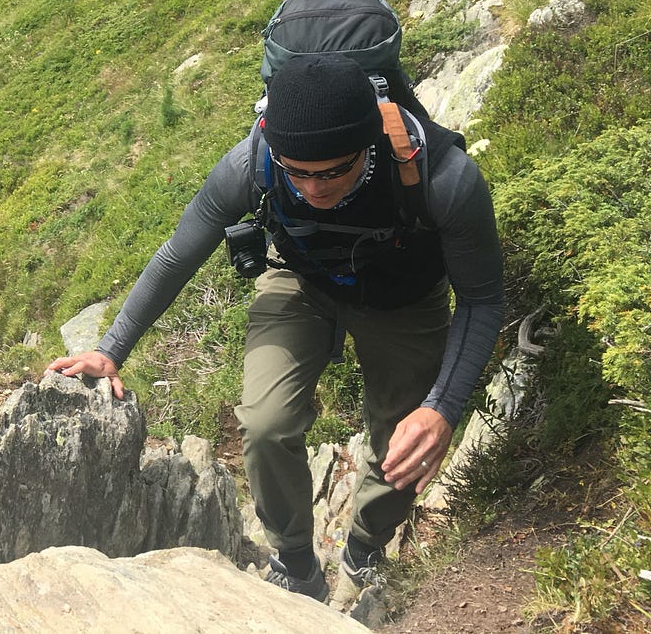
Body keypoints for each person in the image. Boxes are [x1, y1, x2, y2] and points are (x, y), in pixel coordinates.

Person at [48, 53, 504, 602]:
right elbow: (177, 256)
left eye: (335, 170)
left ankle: (365, 547)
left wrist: (442, 409)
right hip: (301, 281)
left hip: (405, 299)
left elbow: (480, 299)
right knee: (265, 424)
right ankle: (295, 566)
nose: (314, 189)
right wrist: (110, 349)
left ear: (370, 143)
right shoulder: (251, 164)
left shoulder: (444, 177)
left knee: (401, 441)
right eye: (298, 172)